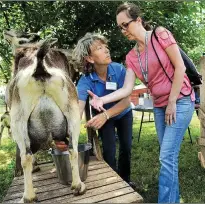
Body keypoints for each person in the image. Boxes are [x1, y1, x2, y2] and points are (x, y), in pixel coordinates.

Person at [88, 3, 195, 203]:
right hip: (160, 107)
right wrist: (102, 99)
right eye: (120, 27)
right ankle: (174, 197)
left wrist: (172, 101)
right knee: (168, 157)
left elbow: (180, 67)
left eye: (125, 25)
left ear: (138, 20)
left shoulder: (160, 34)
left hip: (180, 100)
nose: (123, 31)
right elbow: (126, 89)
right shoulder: (131, 56)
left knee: (166, 157)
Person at [72, 32, 134, 185]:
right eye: (99, 48)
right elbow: (77, 111)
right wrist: (69, 135)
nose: (106, 50)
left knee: (126, 148)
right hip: (104, 119)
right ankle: (114, 184)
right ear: (90, 58)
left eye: (105, 46)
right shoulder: (85, 81)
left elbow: (126, 101)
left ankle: (125, 181)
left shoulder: (118, 69)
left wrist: (106, 115)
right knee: (109, 152)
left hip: (123, 114)